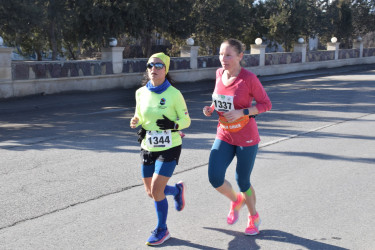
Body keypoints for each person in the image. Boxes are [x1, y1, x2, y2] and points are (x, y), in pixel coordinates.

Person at [203, 39, 272, 235]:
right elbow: (221, 100)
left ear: (240, 56)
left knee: (242, 181)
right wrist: (211, 108)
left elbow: (266, 104)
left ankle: (253, 216)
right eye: (221, 54)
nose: (223, 59)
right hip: (224, 134)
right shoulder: (218, 74)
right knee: (215, 177)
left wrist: (243, 113)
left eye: (228, 55)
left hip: (246, 138)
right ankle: (236, 200)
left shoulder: (249, 79)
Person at [130, 52, 191, 246]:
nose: (153, 69)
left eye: (158, 66)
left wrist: (173, 126)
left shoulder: (174, 94)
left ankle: (162, 230)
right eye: (150, 65)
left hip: (170, 146)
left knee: (157, 190)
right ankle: (176, 191)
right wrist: (136, 120)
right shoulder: (140, 93)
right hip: (148, 145)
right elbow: (139, 114)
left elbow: (186, 120)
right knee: (151, 192)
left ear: (166, 70)